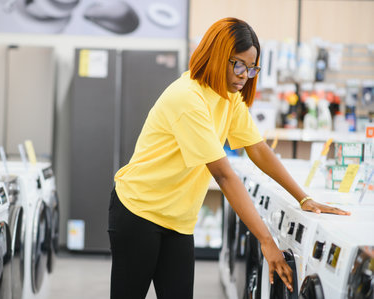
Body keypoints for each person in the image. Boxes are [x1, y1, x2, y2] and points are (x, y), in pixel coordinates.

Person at [108, 17, 350, 299]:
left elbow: (257, 148)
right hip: (139, 211)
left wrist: (304, 198)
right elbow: (223, 174)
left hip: (179, 220)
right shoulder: (188, 98)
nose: (245, 75)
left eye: (251, 68)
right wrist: (266, 241)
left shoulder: (228, 97)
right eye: (238, 65)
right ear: (217, 55)